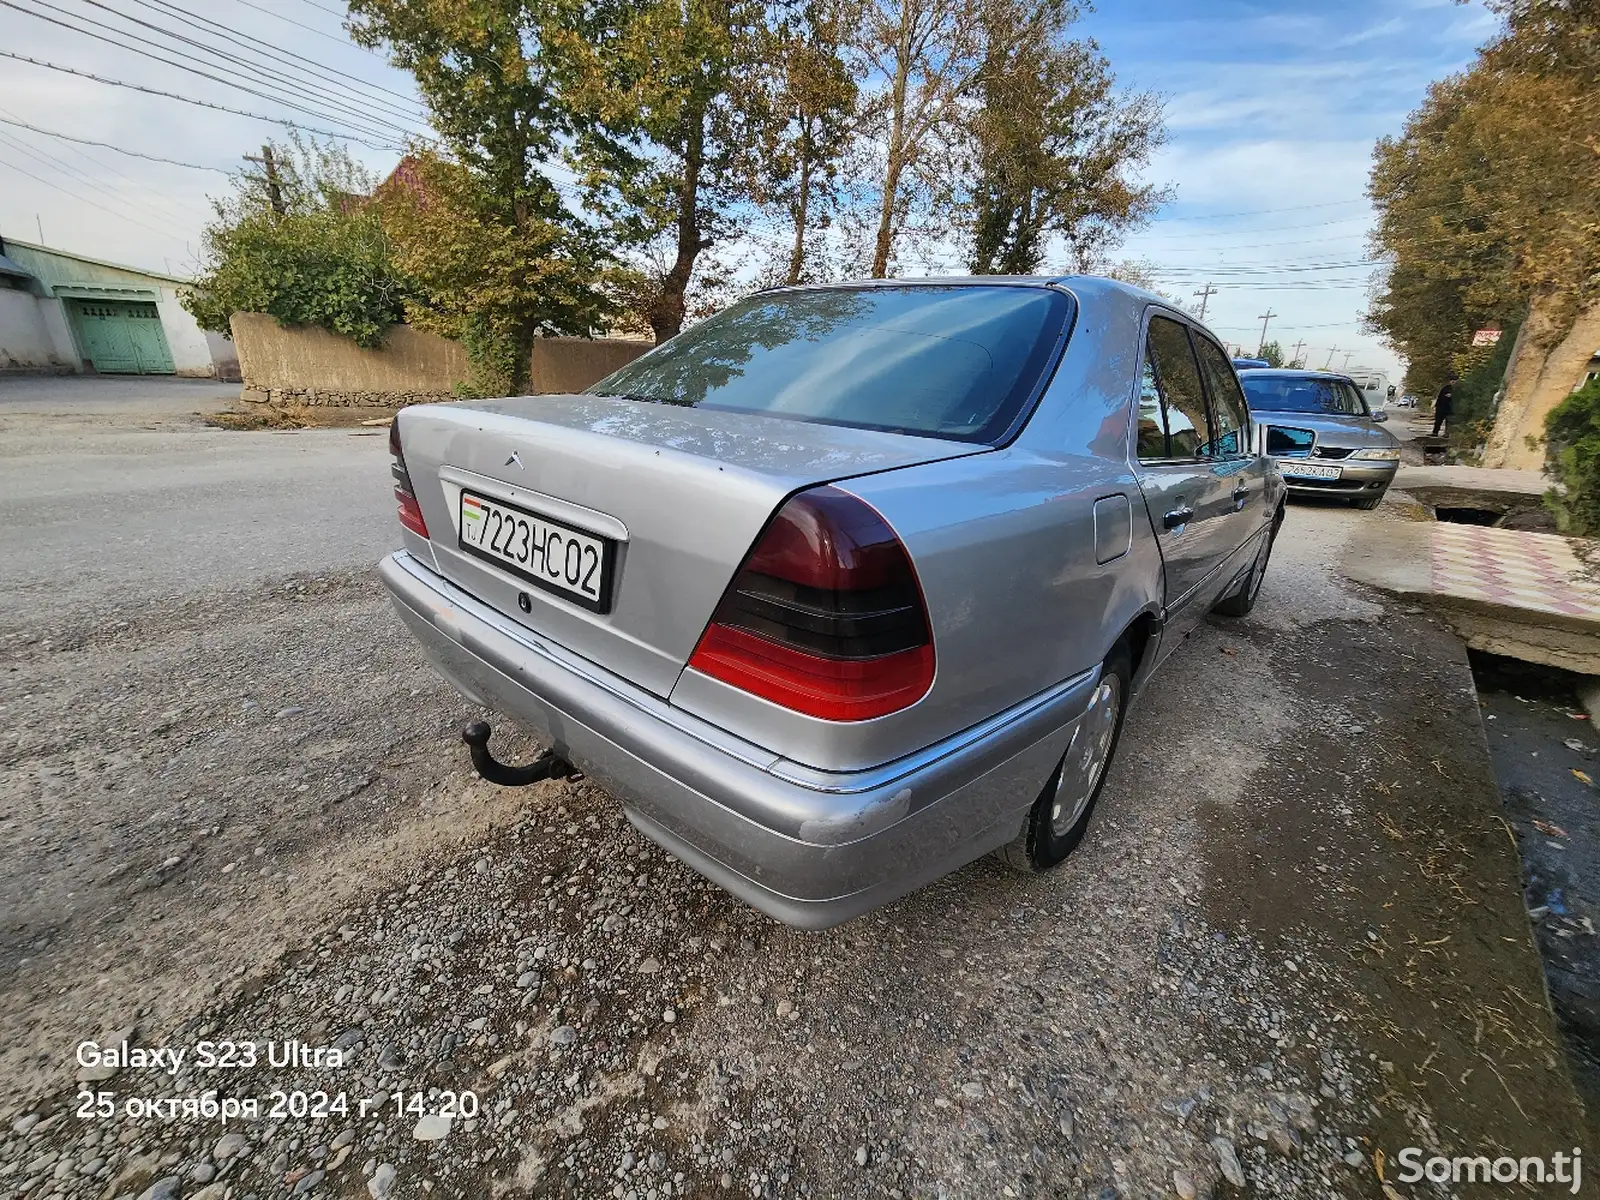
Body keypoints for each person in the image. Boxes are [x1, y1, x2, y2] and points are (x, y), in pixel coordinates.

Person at [1431, 372, 1456, 437]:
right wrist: (1436, 406)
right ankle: (1435, 432)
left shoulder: (1458, 389)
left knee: (1449, 422)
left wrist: (1452, 396)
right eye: (1451, 380)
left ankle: (1447, 434)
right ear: (1449, 381)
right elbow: (1439, 397)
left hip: (1451, 408)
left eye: (1454, 380)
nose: (1453, 382)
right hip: (1441, 407)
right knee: (1438, 421)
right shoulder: (1445, 388)